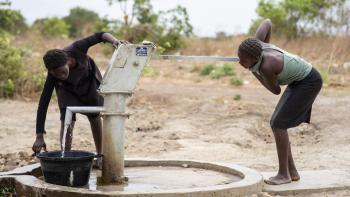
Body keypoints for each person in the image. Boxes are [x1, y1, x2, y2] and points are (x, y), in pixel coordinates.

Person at [237, 19, 323, 185]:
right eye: (239, 56)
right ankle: (292, 172)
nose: (240, 62)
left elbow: (275, 90)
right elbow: (268, 22)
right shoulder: (257, 45)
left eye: (243, 60)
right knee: (276, 123)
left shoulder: (266, 66)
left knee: (279, 124)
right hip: (299, 80)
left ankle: (284, 175)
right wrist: (259, 45)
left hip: (309, 82)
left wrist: (254, 72)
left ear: (254, 58)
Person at [32, 32, 127, 168]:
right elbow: (43, 103)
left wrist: (115, 42)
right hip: (67, 90)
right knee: (67, 119)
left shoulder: (77, 48)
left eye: (63, 72)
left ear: (68, 61)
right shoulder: (54, 75)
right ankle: (66, 158)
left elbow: (101, 35)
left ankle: (100, 155)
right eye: (56, 75)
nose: (61, 76)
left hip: (88, 82)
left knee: (94, 117)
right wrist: (39, 136)